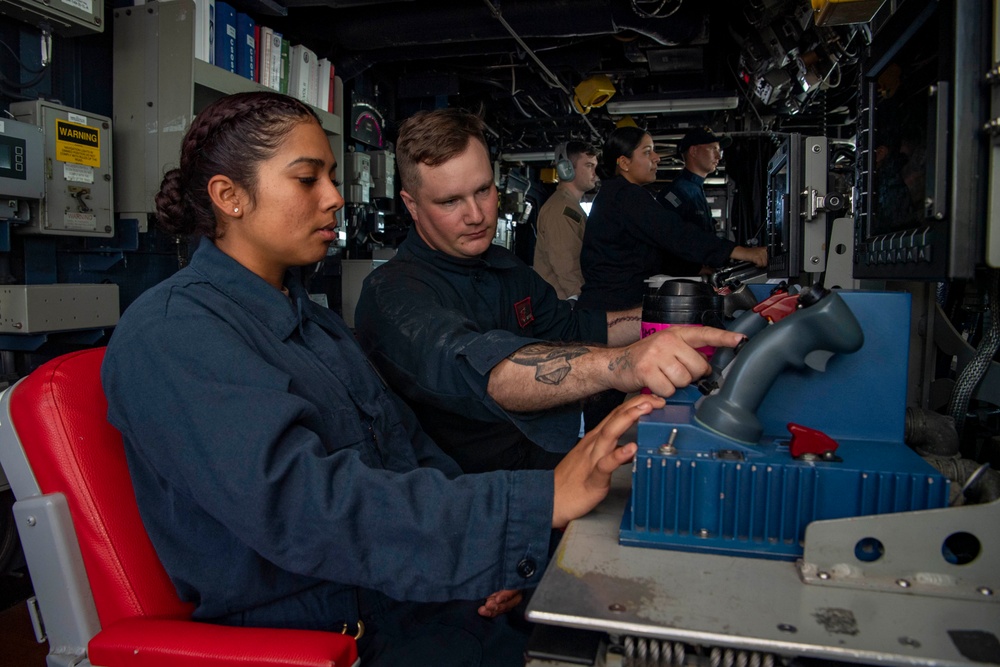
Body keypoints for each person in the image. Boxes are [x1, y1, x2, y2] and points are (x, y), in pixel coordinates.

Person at [100, 91, 673, 667]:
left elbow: (409, 451)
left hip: (406, 593)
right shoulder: (174, 332)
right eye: (307, 180)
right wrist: (532, 505)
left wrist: (488, 558)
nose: (334, 198)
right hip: (333, 631)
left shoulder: (316, 325)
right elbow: (306, 511)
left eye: (331, 176)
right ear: (229, 197)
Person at [354, 108, 744, 474]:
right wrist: (620, 364)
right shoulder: (393, 295)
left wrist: (675, 317)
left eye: (483, 191)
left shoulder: (506, 268)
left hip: (544, 461)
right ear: (412, 205)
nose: (475, 215)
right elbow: (491, 374)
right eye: (450, 201)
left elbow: (576, 327)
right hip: (470, 496)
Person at [577, 126, 767, 312]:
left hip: (611, 303)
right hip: (611, 308)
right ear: (625, 163)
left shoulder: (617, 193)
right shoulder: (625, 196)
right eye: (647, 152)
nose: (657, 157)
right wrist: (741, 252)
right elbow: (675, 232)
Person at [656, 126, 737, 276]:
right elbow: (668, 241)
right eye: (713, 149)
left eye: (719, 150)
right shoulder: (677, 192)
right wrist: (696, 269)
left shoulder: (695, 189)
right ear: (693, 151)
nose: (718, 156)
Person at [532, 141, 599, 300]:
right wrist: (583, 301)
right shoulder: (561, 209)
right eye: (589, 165)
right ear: (566, 169)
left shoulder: (571, 207)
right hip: (564, 306)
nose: (595, 173)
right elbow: (567, 267)